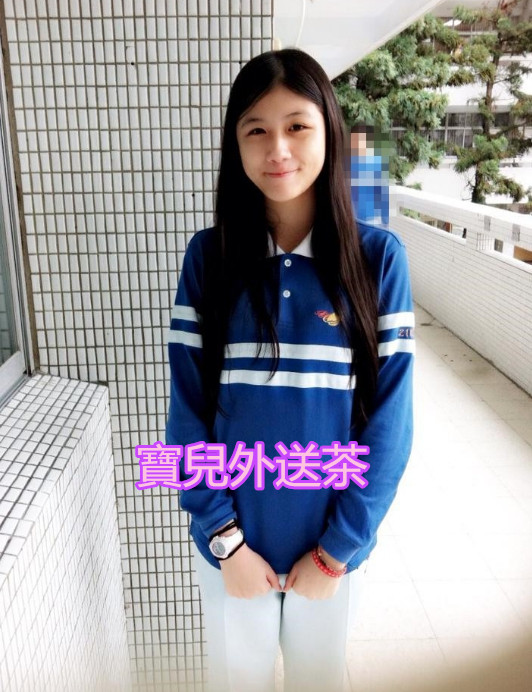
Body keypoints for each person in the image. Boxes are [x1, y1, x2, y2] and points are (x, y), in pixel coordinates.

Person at [166, 48, 415, 692]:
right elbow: (187, 411)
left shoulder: (377, 259)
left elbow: (391, 423)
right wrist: (224, 539)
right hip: (231, 550)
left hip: (330, 553)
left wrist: (337, 551)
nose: (277, 148)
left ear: (329, 130)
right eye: (256, 130)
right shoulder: (209, 258)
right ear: (236, 145)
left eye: (297, 126)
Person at [349, 125, 391, 226]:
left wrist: (385, 225)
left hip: (372, 223)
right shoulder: (345, 165)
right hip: (348, 223)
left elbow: (384, 196)